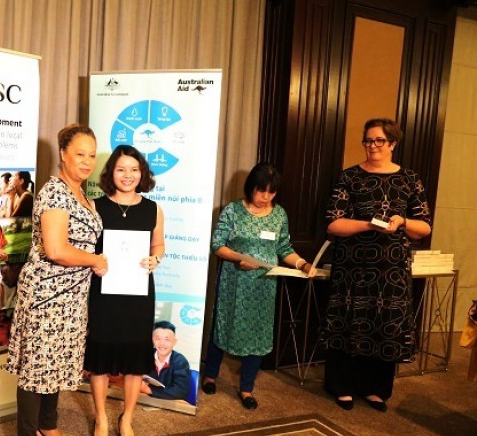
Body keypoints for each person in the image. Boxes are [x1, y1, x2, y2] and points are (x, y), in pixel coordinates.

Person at [5, 124, 107, 436]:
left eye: (92, 155)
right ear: (63, 154)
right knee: (36, 371)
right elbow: (56, 249)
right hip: (46, 295)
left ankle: (48, 426)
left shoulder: (81, 193)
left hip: (72, 296)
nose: (87, 161)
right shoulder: (53, 192)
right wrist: (95, 260)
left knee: (56, 363)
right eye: (80, 154)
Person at [321, 118, 432, 412]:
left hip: (391, 271)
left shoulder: (409, 179)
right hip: (352, 269)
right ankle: (342, 386)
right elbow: (333, 223)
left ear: (393, 143)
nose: (372, 146)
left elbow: (424, 227)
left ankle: (375, 389)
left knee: (385, 326)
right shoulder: (349, 177)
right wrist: (368, 224)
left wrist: (403, 221)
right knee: (348, 323)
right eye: (368, 140)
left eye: (379, 140)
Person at [201, 163, 316, 410]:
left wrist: (303, 264)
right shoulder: (233, 210)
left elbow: (284, 248)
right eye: (261, 191)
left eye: (271, 192)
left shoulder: (279, 214)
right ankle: (210, 376)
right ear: (250, 187)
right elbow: (217, 244)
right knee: (223, 325)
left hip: (264, 286)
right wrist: (238, 258)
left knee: (258, 332)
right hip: (234, 282)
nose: (266, 197)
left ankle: (246, 388)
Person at [84, 144, 164, 436]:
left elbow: (159, 245)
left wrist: (156, 259)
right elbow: (85, 248)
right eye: (121, 169)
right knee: (101, 355)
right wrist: (94, 261)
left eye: (133, 169)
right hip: (103, 291)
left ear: (142, 173)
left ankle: (127, 418)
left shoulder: (153, 209)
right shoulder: (95, 206)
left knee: (134, 358)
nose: (127, 175)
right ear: (111, 173)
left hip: (138, 292)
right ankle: (101, 417)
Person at [141, 321, 192, 401]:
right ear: (152, 340)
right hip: (145, 400)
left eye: (167, 339)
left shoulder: (180, 362)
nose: (162, 343)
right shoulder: (145, 356)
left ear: (174, 342)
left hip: (170, 404)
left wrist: (149, 390)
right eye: (158, 339)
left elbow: (181, 391)